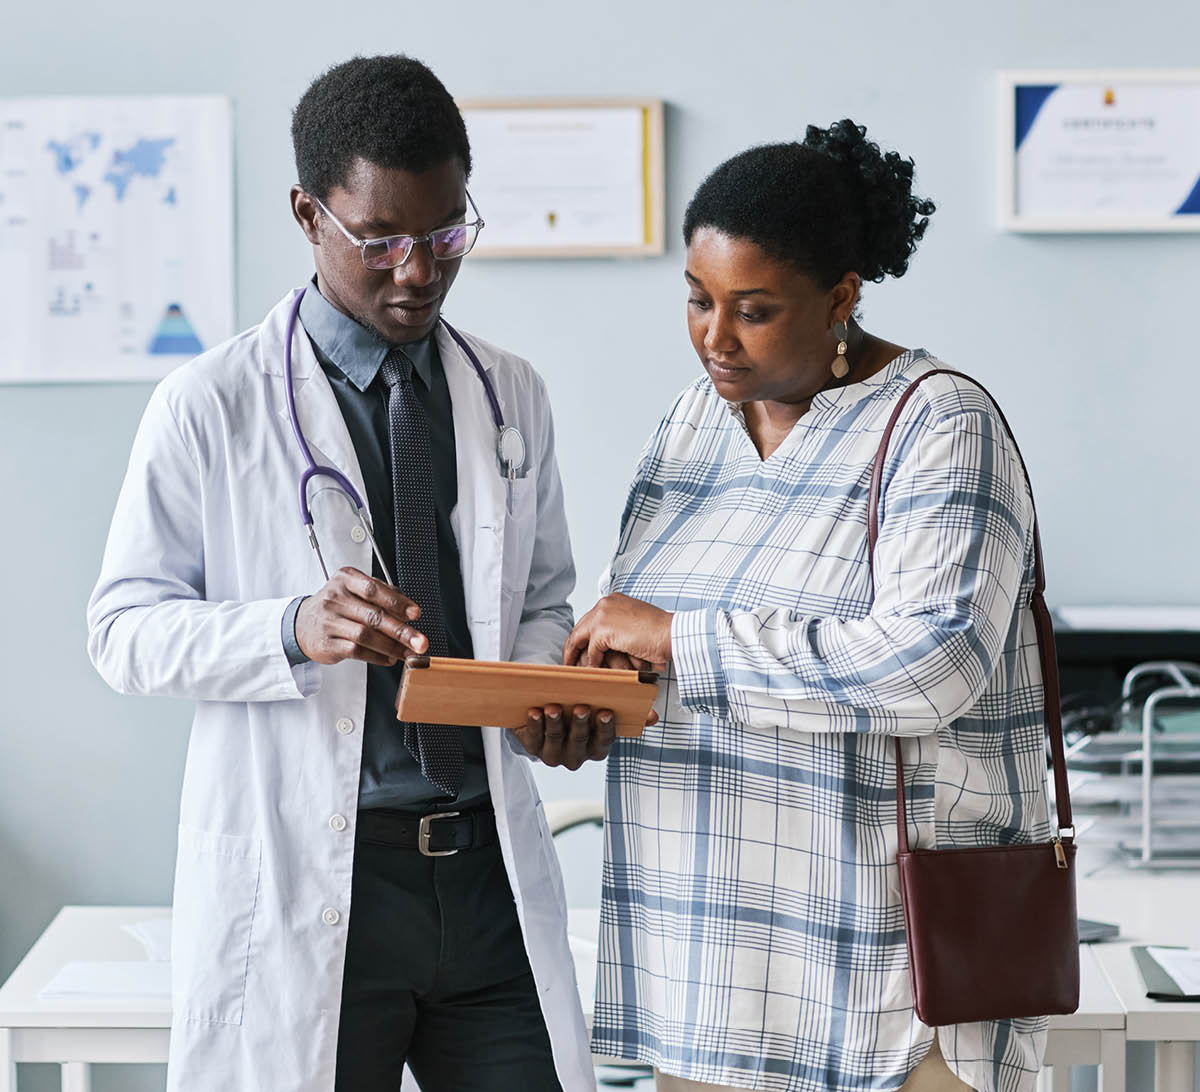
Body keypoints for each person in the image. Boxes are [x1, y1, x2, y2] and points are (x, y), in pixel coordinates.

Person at [87, 54, 609, 1092]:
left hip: (484, 876)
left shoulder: (511, 392)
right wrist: (290, 628)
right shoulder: (210, 403)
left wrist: (545, 691)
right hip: (320, 873)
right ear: (306, 213)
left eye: (447, 233)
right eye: (382, 242)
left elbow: (544, 597)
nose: (419, 271)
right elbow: (123, 629)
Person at [556, 121, 1053, 1092]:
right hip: (707, 978)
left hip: (888, 992)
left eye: (753, 309)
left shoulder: (939, 424)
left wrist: (673, 640)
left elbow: (929, 663)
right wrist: (587, 697)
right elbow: (654, 652)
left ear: (841, 298)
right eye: (697, 301)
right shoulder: (692, 423)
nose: (714, 336)